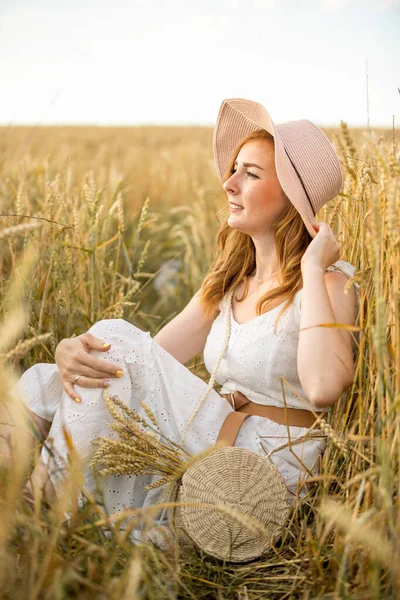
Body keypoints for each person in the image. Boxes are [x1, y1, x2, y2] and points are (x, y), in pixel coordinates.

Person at [3, 98, 360, 516]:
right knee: (50, 375)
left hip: (263, 463)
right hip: (214, 434)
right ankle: (28, 500)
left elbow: (322, 389)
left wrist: (314, 266)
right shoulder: (230, 282)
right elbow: (142, 360)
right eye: (233, 171)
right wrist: (73, 353)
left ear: (290, 197)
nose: (229, 183)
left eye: (251, 174)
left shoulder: (330, 281)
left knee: (110, 338)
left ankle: (37, 509)